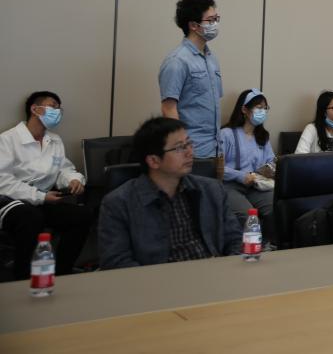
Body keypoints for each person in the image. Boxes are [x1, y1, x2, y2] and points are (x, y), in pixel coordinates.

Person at [98, 117, 241, 269]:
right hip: (157, 280)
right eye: (179, 148)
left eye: (189, 144)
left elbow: (236, 240)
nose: (190, 152)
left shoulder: (211, 190)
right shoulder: (118, 203)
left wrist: (227, 271)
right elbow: (117, 263)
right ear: (154, 161)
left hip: (213, 274)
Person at [0, 91, 92, 279]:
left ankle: (63, 272)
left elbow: (63, 169)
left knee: (83, 215)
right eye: (52, 106)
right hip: (9, 200)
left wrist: (73, 179)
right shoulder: (8, 139)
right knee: (30, 217)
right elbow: (3, 181)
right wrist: (41, 196)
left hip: (42, 200)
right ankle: (21, 277)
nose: (57, 112)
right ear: (35, 109)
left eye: (59, 109)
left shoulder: (54, 140)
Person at [158, 0, 224, 158]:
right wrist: (181, 149)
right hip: (191, 152)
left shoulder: (212, 59)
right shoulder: (177, 61)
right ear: (194, 25)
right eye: (210, 20)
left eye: (216, 19)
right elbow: (168, 109)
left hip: (215, 149)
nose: (215, 24)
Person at [218, 89, 276, 244]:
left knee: (275, 207)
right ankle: (253, 249)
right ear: (244, 109)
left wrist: (272, 169)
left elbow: (271, 161)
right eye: (258, 107)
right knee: (249, 217)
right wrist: (241, 176)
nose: (262, 111)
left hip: (256, 186)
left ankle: (271, 245)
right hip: (230, 186)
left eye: (265, 108)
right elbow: (218, 168)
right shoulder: (226, 134)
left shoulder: (263, 136)